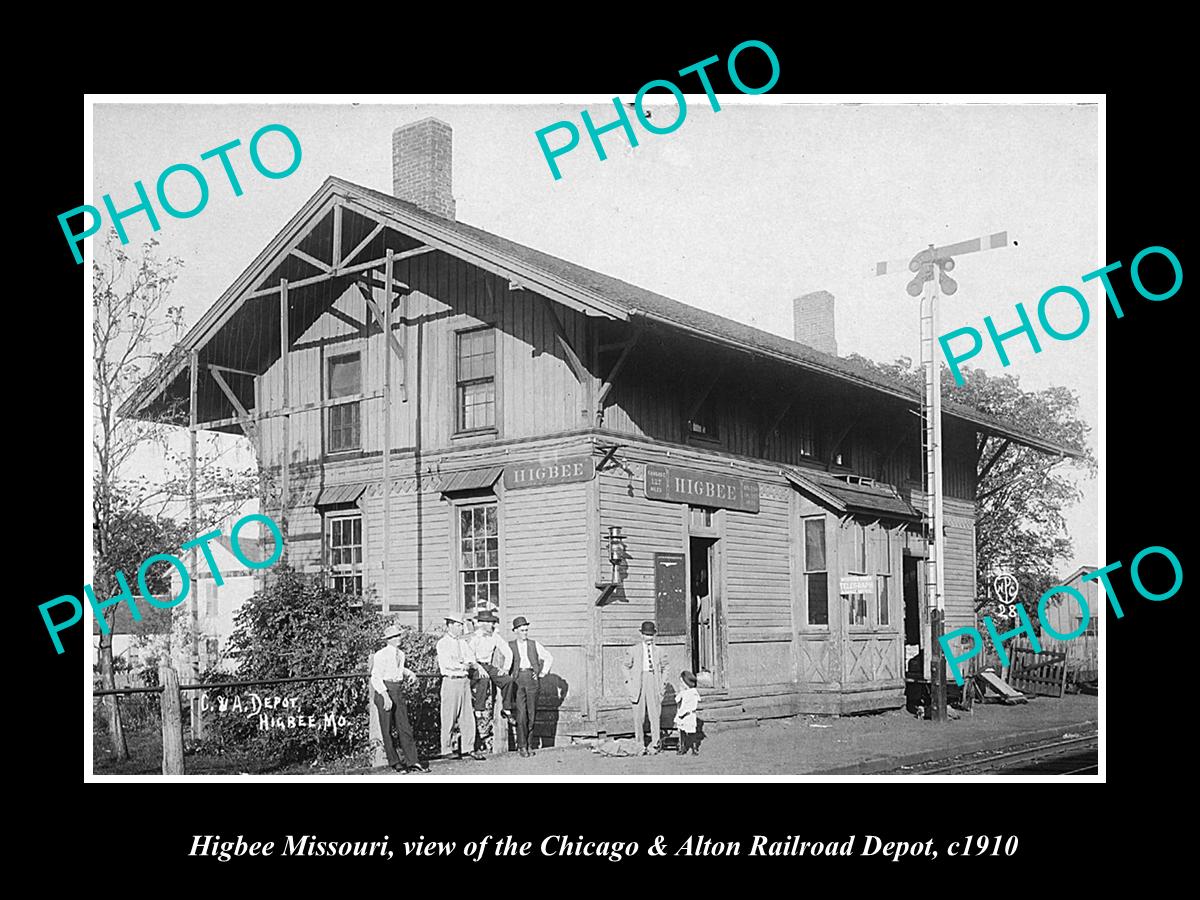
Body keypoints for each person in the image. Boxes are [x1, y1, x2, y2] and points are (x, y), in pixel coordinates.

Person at [370, 624, 429, 773]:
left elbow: (396, 669)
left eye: (398, 636)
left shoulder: (400, 654)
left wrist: (410, 673)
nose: (398, 639)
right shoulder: (380, 655)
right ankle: (395, 762)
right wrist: (385, 696)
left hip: (397, 690)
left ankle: (412, 761)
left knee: (405, 727)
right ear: (388, 640)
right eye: (394, 637)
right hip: (384, 691)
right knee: (387, 729)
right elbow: (376, 677)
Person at [506, 616, 553, 758]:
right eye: (522, 630)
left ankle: (530, 744)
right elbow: (503, 662)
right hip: (518, 680)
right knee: (521, 715)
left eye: (526, 630)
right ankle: (522, 746)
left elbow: (549, 657)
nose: (525, 633)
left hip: (532, 680)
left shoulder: (534, 644)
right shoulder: (510, 645)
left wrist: (541, 672)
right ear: (515, 631)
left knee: (531, 714)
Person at [467, 608, 512, 756]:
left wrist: (505, 669)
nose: (490, 626)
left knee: (507, 680)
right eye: (487, 623)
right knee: (483, 678)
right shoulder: (475, 637)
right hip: (475, 666)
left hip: (488, 665)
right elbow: (469, 656)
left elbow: (507, 651)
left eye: (491, 623)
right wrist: (478, 667)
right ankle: (479, 709)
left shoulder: (495, 636)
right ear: (480, 623)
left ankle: (506, 708)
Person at [436, 613, 479, 760]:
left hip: (464, 681)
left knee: (467, 715)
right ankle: (446, 749)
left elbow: (471, 659)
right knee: (449, 716)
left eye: (461, 625)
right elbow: (447, 664)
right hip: (451, 680)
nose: (461, 628)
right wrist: (462, 664)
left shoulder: (462, 643)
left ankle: (469, 747)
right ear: (449, 625)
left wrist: (465, 663)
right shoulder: (443, 643)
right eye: (458, 625)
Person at [625, 620, 668, 754]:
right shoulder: (633, 650)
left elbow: (666, 666)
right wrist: (630, 684)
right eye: (646, 635)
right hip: (638, 683)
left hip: (653, 681)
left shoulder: (659, 651)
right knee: (639, 716)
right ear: (641, 635)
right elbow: (625, 667)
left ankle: (655, 743)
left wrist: (662, 684)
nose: (648, 638)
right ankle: (640, 745)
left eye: (651, 635)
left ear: (654, 635)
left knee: (655, 714)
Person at [674, 670, 701, 756]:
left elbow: (693, 705)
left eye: (682, 682)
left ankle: (694, 748)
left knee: (691, 731)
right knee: (681, 731)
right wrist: (680, 692)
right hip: (682, 715)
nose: (681, 684)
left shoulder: (693, 693)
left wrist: (685, 712)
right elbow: (676, 700)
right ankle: (682, 747)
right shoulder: (683, 692)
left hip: (689, 715)